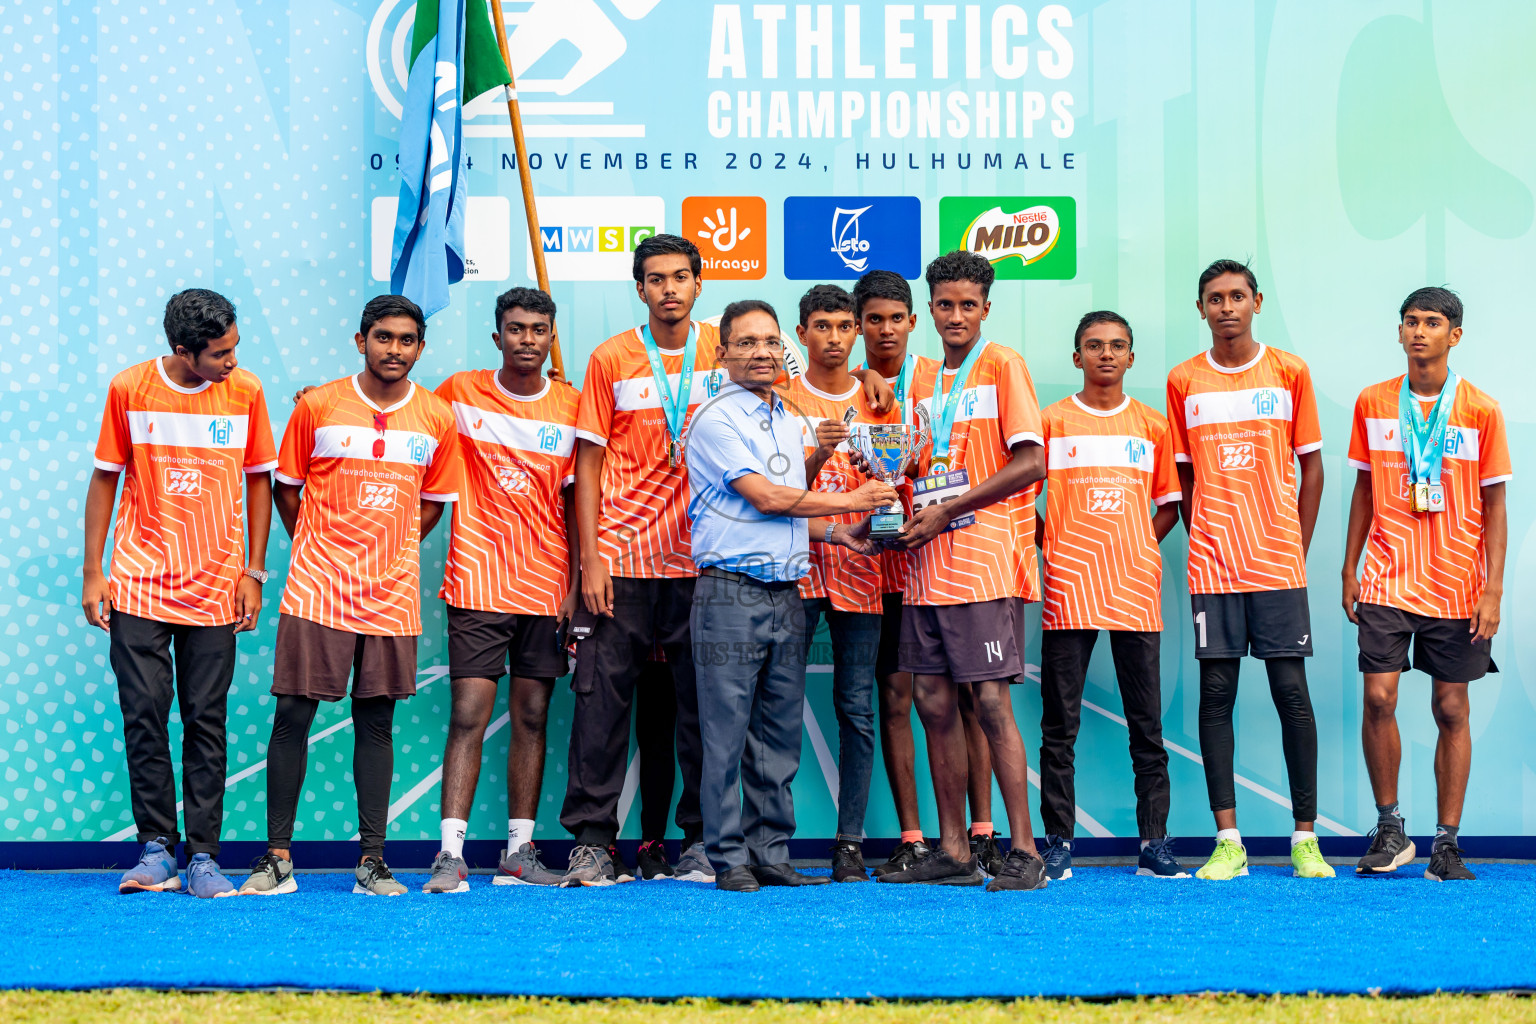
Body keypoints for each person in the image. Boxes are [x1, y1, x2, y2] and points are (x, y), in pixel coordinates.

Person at [562, 235, 889, 885]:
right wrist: (589, 557)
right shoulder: (650, 376)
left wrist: (873, 380)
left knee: (746, 729)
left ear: (698, 283)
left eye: (681, 277)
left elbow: (794, 461)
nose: (762, 351)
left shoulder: (765, 390)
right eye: (656, 278)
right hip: (649, 562)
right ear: (641, 288)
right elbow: (763, 495)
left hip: (736, 574)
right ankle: (624, 845)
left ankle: (740, 850)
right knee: (625, 712)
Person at [240, 294, 459, 897]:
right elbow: (288, 490)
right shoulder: (318, 405)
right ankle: (277, 859)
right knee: (292, 717)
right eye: (383, 337)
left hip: (391, 595)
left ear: (420, 347)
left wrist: (388, 547)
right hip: (317, 587)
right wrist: (321, 545)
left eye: (407, 340)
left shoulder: (437, 417)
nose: (395, 349)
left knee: (377, 723)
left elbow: (434, 502)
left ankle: (371, 862)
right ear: (361, 340)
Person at [685, 299, 897, 892]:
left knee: (777, 734)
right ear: (722, 352)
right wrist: (857, 501)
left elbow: (792, 511)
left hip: (786, 590)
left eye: (770, 342)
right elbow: (769, 500)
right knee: (726, 733)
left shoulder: (786, 418)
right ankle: (728, 859)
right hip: (729, 593)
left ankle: (771, 853)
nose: (760, 353)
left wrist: (842, 534)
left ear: (785, 351)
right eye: (746, 342)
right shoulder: (715, 419)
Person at [85, 289, 276, 898]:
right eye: (220, 352)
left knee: (205, 720)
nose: (231, 360)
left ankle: (203, 857)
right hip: (139, 584)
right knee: (143, 716)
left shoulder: (245, 391)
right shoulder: (130, 389)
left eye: (235, 347)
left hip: (216, 589)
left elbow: (258, 483)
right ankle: (155, 850)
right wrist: (95, 571)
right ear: (181, 349)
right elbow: (104, 479)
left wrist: (254, 571)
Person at [879, 250, 1048, 892]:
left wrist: (950, 506)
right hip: (926, 563)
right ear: (931, 310)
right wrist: (887, 525)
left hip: (983, 563)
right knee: (931, 702)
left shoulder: (1004, 365)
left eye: (967, 305)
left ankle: (1024, 852)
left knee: (990, 703)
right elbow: (914, 468)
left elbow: (1030, 463)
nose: (955, 316)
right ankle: (952, 850)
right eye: (944, 305)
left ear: (985, 309)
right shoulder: (919, 381)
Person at [1166, 259, 1331, 881]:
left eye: (1237, 295)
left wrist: (1295, 541)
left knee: (1292, 693)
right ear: (1202, 308)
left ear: (1256, 302)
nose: (1227, 306)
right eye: (1215, 297)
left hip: (1278, 564)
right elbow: (1181, 474)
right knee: (1217, 696)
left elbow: (1311, 465)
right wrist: (1203, 534)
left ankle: (1305, 839)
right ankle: (1228, 839)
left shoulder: (1289, 370)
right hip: (1214, 568)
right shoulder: (1184, 380)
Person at [1343, 286, 1508, 882]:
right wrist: (1348, 565)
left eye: (1432, 323)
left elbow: (1496, 505)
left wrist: (1491, 590)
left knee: (1451, 708)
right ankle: (1391, 831)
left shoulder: (1480, 410)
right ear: (1400, 331)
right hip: (1387, 576)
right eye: (1410, 321)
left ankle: (1446, 843)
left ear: (1454, 335)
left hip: (1459, 581)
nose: (1419, 332)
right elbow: (1363, 489)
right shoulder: (1372, 402)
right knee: (1379, 698)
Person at [422, 287, 576, 893]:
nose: (528, 339)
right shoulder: (460, 393)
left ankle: (519, 851)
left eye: (539, 329)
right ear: (497, 337)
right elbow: (403, 412)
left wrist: (575, 583)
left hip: (546, 586)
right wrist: (322, 405)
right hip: (478, 580)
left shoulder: (571, 405)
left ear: (551, 337)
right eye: (516, 329)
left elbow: (577, 499)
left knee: (532, 715)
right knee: (468, 715)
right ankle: (449, 854)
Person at [852, 269, 1002, 878]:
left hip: (936, 561)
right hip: (871, 570)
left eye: (897, 318)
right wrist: (864, 379)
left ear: (916, 321)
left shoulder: (935, 377)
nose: (885, 330)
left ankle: (982, 831)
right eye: (873, 319)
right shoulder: (845, 388)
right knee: (899, 698)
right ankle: (916, 838)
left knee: (969, 697)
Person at [1034, 311, 1186, 880]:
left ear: (1130, 357)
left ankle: (1155, 845)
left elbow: (1169, 502)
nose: (1105, 354)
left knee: (1146, 725)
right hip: (1068, 589)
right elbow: (1026, 500)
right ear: (1077, 357)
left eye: (1117, 346)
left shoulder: (1151, 425)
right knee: (1059, 727)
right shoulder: (1053, 421)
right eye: (1093, 346)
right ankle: (1057, 845)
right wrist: (1057, 545)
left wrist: (1134, 544)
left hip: (1135, 590)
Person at [786, 284, 899, 882]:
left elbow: (899, 479)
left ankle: (849, 842)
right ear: (800, 334)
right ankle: (771, 840)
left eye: (843, 326)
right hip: (793, 570)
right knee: (776, 707)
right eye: (820, 326)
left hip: (862, 570)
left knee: (857, 709)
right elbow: (769, 492)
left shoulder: (884, 400)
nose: (833, 336)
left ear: (856, 332)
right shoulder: (776, 398)